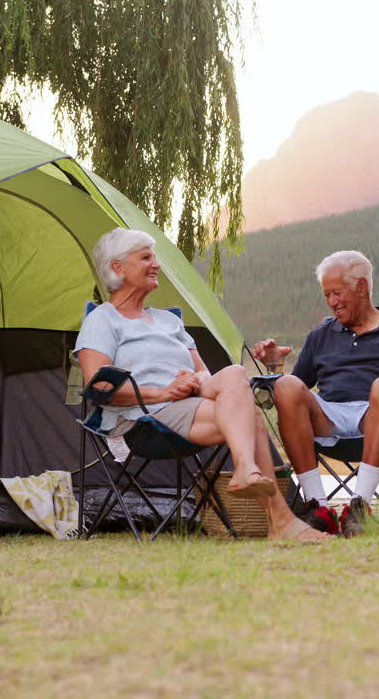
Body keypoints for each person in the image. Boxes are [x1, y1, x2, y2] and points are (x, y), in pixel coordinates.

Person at [74, 228, 327, 543]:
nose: (156, 264)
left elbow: (206, 376)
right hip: (146, 417)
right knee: (252, 419)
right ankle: (280, 519)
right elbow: (98, 386)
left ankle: (247, 469)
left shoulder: (170, 322)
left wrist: (193, 381)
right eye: (146, 258)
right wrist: (164, 391)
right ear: (117, 268)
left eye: (155, 257)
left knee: (234, 372)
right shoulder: (103, 320)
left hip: (190, 401)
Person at [251, 250, 379, 537]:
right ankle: (318, 506)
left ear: (362, 287)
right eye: (326, 295)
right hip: (329, 416)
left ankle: (359, 506)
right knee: (286, 385)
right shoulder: (321, 334)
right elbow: (293, 393)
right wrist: (274, 365)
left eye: (337, 293)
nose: (331, 303)